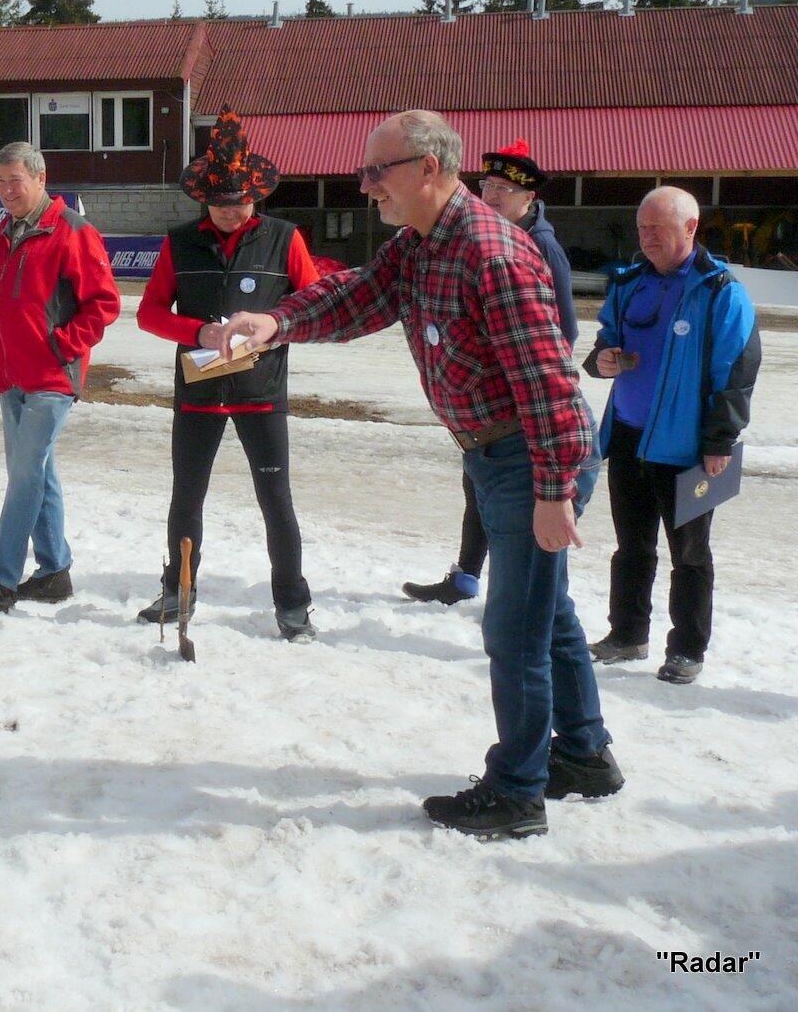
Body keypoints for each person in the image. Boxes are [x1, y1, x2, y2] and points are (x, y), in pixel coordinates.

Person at [222, 110, 622, 839]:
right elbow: (357, 295)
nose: (365, 185)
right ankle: (586, 754)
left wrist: (554, 491)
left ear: (429, 168)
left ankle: (518, 793)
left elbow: (548, 386)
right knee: (545, 609)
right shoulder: (419, 246)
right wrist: (276, 322)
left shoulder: (492, 253)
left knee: (515, 629)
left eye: (379, 171)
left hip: (530, 456)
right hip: (496, 453)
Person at [134, 110, 319, 641]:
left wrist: (272, 328)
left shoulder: (285, 238)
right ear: (203, 200)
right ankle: (179, 589)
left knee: (276, 501)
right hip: (199, 389)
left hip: (262, 391)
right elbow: (148, 314)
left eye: (239, 201)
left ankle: (292, 603)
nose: (230, 211)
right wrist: (199, 331)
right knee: (186, 497)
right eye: (219, 203)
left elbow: (313, 306)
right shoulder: (180, 240)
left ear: (255, 195)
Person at [582, 186, 760, 685]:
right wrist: (602, 359)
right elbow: (605, 341)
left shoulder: (721, 291)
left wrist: (720, 441)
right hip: (628, 437)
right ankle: (627, 634)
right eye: (642, 228)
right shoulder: (629, 282)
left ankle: (686, 649)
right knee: (631, 547)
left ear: (690, 227)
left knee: (690, 556)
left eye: (657, 228)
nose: (647, 237)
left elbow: (737, 371)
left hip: (688, 448)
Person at [404, 139, 578, 605]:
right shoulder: (470, 237)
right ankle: (468, 576)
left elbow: (560, 335)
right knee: (477, 497)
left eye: (505, 189)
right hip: (484, 417)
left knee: (524, 547)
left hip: (522, 417)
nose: (493, 195)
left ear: (529, 198)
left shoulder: (534, 247)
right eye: (488, 185)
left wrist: (527, 392)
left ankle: (511, 602)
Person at [0, 142, 120, 616]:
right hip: (9, 375)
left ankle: (2, 578)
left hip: (51, 376)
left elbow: (104, 304)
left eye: (15, 180)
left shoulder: (72, 231)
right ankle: (55, 570)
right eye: (0, 181)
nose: (7, 190)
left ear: (41, 179)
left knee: (24, 476)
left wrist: (63, 346)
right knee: (38, 473)